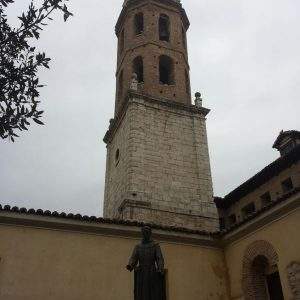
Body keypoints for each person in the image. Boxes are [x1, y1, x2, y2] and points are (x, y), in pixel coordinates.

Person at [126, 226, 166, 300]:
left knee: (152, 291)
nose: (145, 234)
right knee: (141, 292)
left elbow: (159, 258)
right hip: (142, 272)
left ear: (149, 234)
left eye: (147, 232)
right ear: (142, 233)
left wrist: (160, 268)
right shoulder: (138, 246)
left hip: (152, 271)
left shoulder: (155, 245)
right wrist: (130, 265)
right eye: (144, 232)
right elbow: (133, 257)